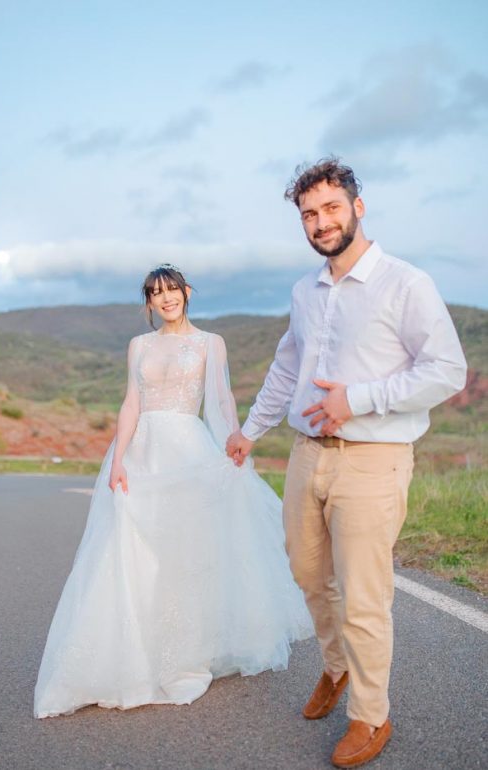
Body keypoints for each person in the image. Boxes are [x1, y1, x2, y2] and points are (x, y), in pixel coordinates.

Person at [226, 157, 467, 767]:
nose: (320, 221)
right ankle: (335, 668)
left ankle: (370, 716)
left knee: (363, 595)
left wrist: (355, 400)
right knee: (308, 575)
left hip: (374, 460)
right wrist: (251, 430)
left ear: (358, 208)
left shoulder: (405, 284)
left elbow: (446, 370)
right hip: (308, 457)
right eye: (309, 213)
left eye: (331, 208)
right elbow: (287, 367)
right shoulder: (304, 292)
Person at [34, 264, 313, 719]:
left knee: (186, 551)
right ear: (148, 302)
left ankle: (185, 647)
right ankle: (133, 649)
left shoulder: (210, 343)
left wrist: (234, 448)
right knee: (130, 549)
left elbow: (221, 399)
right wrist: (118, 457)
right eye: (156, 293)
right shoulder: (138, 346)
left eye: (172, 290)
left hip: (188, 451)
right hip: (143, 452)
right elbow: (131, 401)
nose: (166, 298)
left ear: (186, 293)